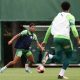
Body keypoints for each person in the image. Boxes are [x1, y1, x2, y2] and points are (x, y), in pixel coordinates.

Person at [41, 1, 80, 79]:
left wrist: (45, 41)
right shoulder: (70, 16)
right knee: (69, 56)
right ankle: (61, 74)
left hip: (56, 39)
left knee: (58, 57)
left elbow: (49, 29)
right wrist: (78, 39)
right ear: (69, 8)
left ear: (61, 8)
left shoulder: (56, 17)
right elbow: (74, 29)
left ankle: (49, 55)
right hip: (65, 39)